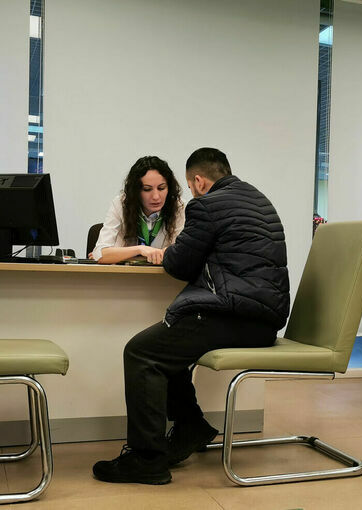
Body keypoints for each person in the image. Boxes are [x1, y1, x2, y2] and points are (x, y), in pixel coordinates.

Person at [92, 148, 290, 484]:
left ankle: (147, 459)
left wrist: (171, 254)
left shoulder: (206, 205)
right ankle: (191, 426)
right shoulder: (259, 200)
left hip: (233, 314)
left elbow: (180, 264)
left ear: (198, 181)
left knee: (141, 352)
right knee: (167, 350)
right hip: (264, 321)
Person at [91, 156, 185, 264]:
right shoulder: (121, 204)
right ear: (135, 191)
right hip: (125, 273)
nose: (156, 196)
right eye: (147, 189)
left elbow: (182, 254)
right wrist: (140, 249)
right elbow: (99, 254)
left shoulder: (179, 207)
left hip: (163, 274)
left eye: (161, 188)